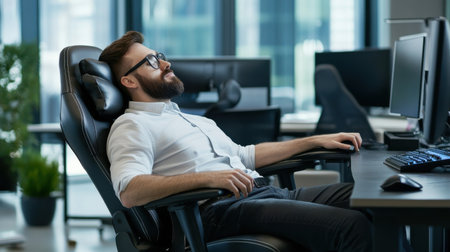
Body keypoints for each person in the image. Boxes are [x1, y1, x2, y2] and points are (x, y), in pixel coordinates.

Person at [99, 31, 372, 251]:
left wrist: (315, 141)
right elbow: (129, 190)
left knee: (375, 201)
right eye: (151, 62)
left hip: (264, 194)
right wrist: (208, 179)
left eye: (159, 56)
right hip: (220, 210)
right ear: (129, 81)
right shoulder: (132, 124)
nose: (165, 63)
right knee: (352, 226)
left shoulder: (190, 118)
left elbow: (245, 155)